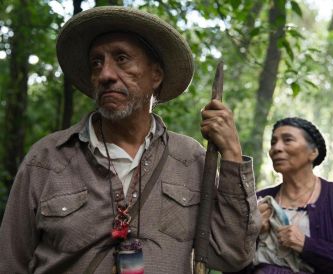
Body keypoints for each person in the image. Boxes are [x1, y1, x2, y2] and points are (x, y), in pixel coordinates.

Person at [0, 6, 260, 274]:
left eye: (122, 59)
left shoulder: (189, 159)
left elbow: (233, 254)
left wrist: (231, 153)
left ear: (155, 75)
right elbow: (9, 263)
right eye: (96, 63)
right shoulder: (46, 159)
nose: (106, 75)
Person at [245, 117, 333, 274]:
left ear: (313, 152)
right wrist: (251, 234)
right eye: (273, 142)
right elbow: (232, 264)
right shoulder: (259, 200)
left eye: (287, 140)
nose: (277, 148)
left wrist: (307, 246)